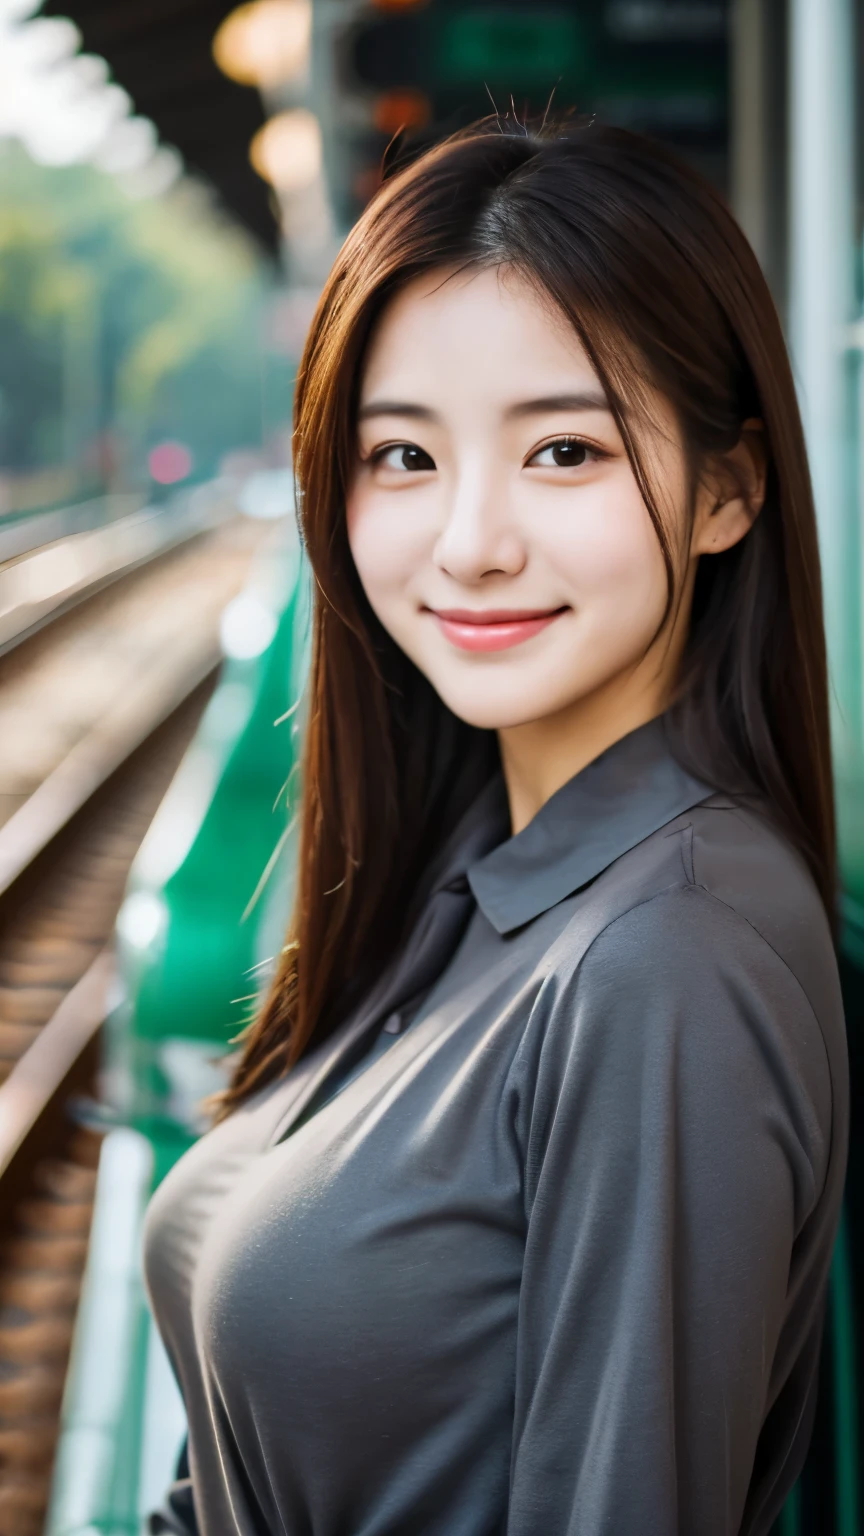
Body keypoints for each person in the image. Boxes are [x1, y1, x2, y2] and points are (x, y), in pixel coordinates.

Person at [144, 120, 848, 1536]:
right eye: (402, 456)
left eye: (566, 450)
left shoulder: (667, 959)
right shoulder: (473, 868)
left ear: (729, 489)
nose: (469, 539)